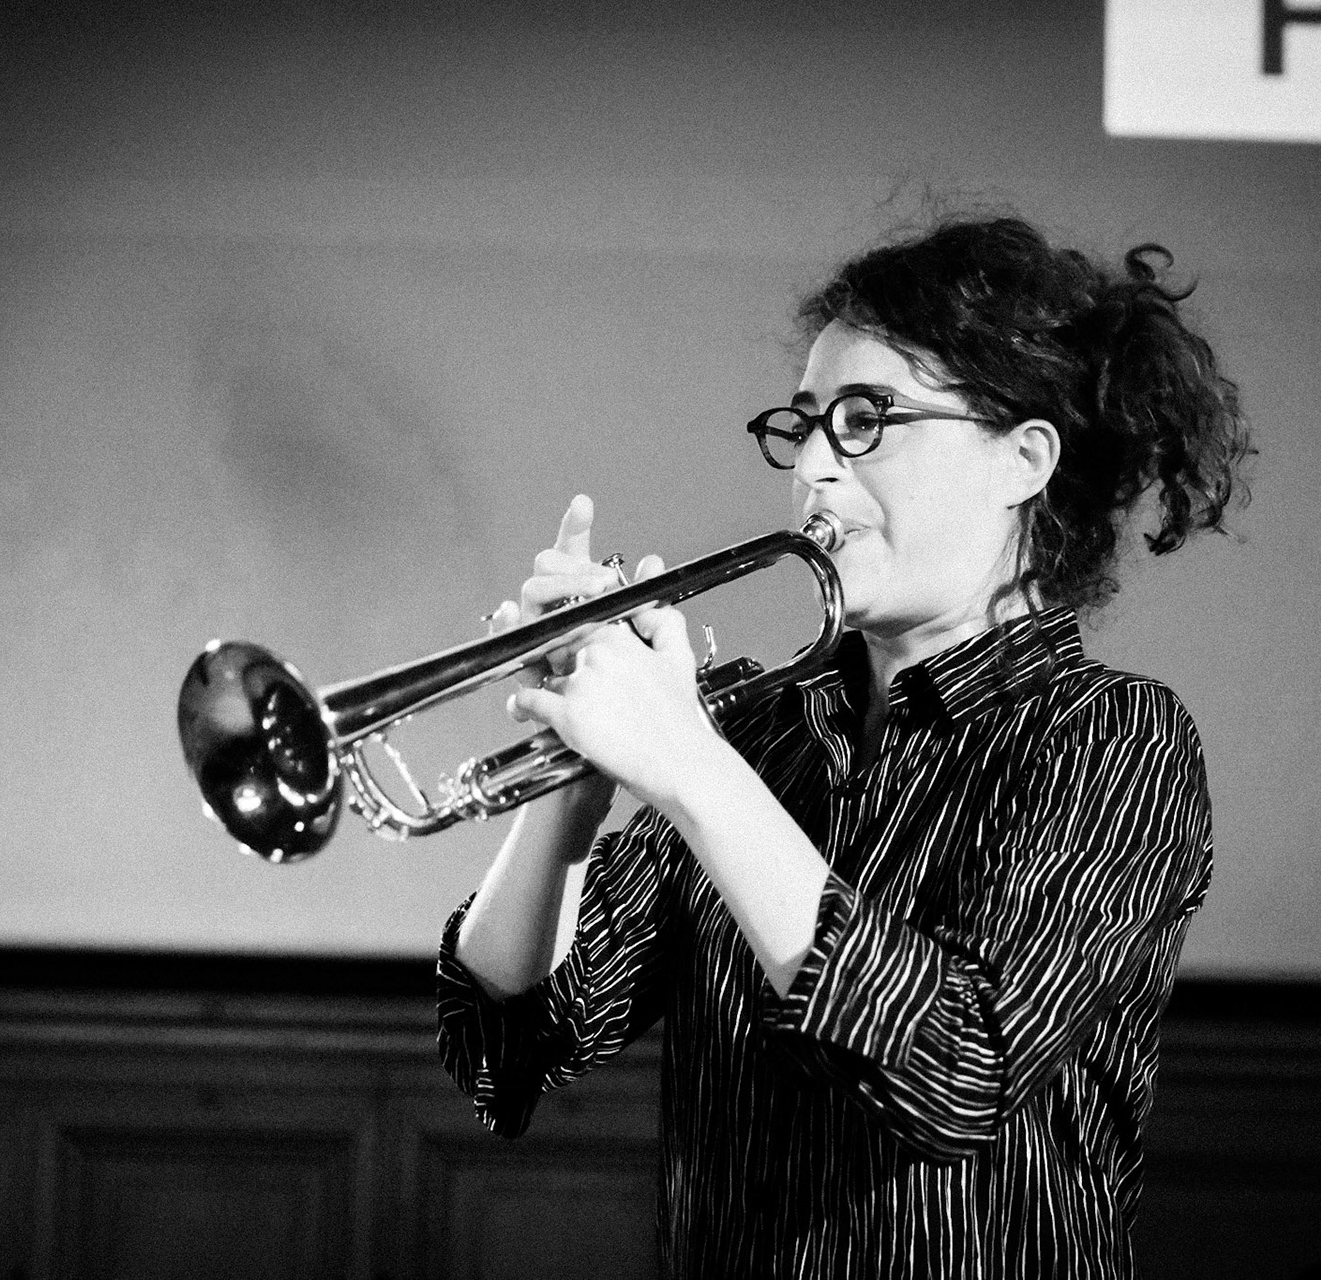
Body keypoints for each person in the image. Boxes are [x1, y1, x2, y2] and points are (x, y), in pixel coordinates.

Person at [436, 212, 1251, 1279]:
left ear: (1023, 457)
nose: (815, 465)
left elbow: (956, 1068)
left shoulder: (1113, 736)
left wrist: (690, 765)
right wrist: (571, 787)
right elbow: (513, 1045)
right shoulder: (754, 733)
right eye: (807, 424)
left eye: (869, 420)